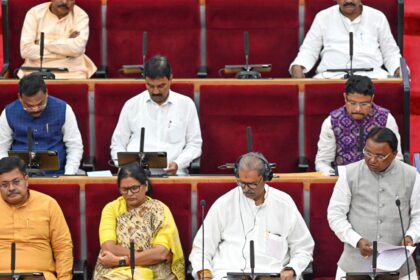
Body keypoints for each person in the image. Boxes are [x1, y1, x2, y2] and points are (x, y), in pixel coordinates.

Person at [189, 152, 314, 280]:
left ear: (266, 178)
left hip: (272, 275)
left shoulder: (284, 203)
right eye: (241, 183)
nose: (246, 189)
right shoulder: (224, 203)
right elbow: (201, 248)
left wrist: (292, 268)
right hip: (228, 274)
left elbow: (303, 247)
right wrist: (204, 271)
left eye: (252, 184)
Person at [327, 127, 420, 279]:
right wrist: (356, 240)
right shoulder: (349, 174)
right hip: (354, 263)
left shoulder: (411, 176)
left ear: (394, 155)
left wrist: (411, 236)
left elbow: (419, 216)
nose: (372, 159)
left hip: (398, 265)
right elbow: (335, 215)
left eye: (380, 156)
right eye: (367, 153)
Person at [110, 55, 202, 175]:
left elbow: (194, 144)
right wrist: (126, 167)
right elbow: (117, 144)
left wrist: (178, 163)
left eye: (161, 86)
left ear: (171, 79)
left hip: (173, 174)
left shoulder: (186, 105)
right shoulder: (131, 105)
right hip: (136, 175)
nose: (155, 91)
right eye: (150, 86)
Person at [93, 163, 185, 280]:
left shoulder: (160, 210)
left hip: (154, 269)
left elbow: (160, 253)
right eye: (124, 189)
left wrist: (121, 260)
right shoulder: (111, 208)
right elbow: (108, 248)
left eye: (134, 188)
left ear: (145, 185)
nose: (130, 194)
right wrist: (145, 255)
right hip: (113, 269)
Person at [0, 157, 73, 280]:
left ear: (26, 180)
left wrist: (64, 278)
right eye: (4, 184)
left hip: (40, 276)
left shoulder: (48, 204)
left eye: (16, 182)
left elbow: (63, 247)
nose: (11, 188)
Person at [289, 0, 402, 79]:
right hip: (330, 77)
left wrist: (399, 68)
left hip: (372, 77)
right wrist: (298, 66)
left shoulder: (377, 17)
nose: (348, 1)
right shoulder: (323, 17)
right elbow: (309, 50)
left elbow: (390, 52)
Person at [315, 75, 402, 176]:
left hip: (379, 179)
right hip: (343, 180)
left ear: (372, 98)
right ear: (345, 97)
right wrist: (335, 176)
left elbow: (397, 158)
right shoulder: (332, 122)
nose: (358, 109)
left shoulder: (386, 119)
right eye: (352, 103)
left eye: (364, 104)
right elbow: (323, 162)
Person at [0, 73, 84, 175]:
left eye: (40, 104)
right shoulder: (8, 112)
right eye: (29, 106)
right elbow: (2, 148)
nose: (35, 109)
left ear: (47, 93)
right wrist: (8, 174)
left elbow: (74, 145)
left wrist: (69, 175)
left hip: (58, 175)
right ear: (20, 97)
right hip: (19, 176)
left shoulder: (64, 109)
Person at [18, 0, 97, 79]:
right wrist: (66, 51)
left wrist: (42, 42)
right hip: (36, 70)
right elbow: (26, 50)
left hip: (72, 71)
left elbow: (77, 49)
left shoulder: (81, 15)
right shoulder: (34, 13)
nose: (65, 2)